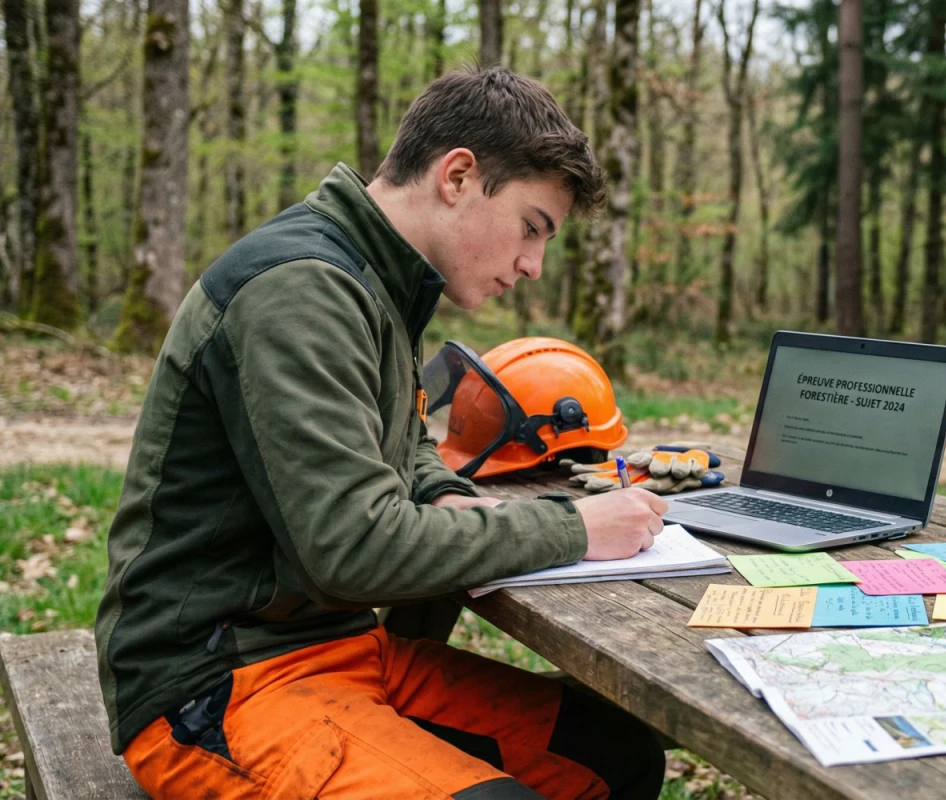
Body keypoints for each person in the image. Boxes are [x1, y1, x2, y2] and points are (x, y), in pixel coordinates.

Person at [95, 67, 668, 800]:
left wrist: (443, 494)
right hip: (216, 682)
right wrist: (572, 527)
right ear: (458, 175)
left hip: (337, 648)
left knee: (610, 754)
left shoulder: (375, 281)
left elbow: (401, 444)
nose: (532, 265)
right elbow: (351, 549)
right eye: (532, 228)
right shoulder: (301, 289)